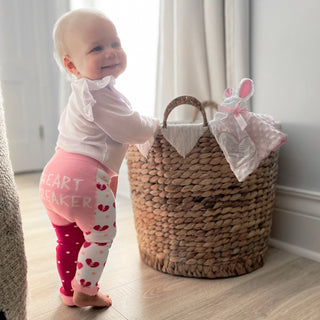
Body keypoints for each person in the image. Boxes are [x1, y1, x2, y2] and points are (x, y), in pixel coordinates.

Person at [39, 8, 159, 308]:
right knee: (101, 236)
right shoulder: (100, 93)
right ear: (72, 65)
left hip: (52, 178)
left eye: (115, 44)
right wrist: (155, 125)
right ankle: (87, 289)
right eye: (97, 48)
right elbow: (131, 127)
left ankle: (68, 291)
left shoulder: (79, 94)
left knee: (68, 240)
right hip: (83, 181)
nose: (111, 53)